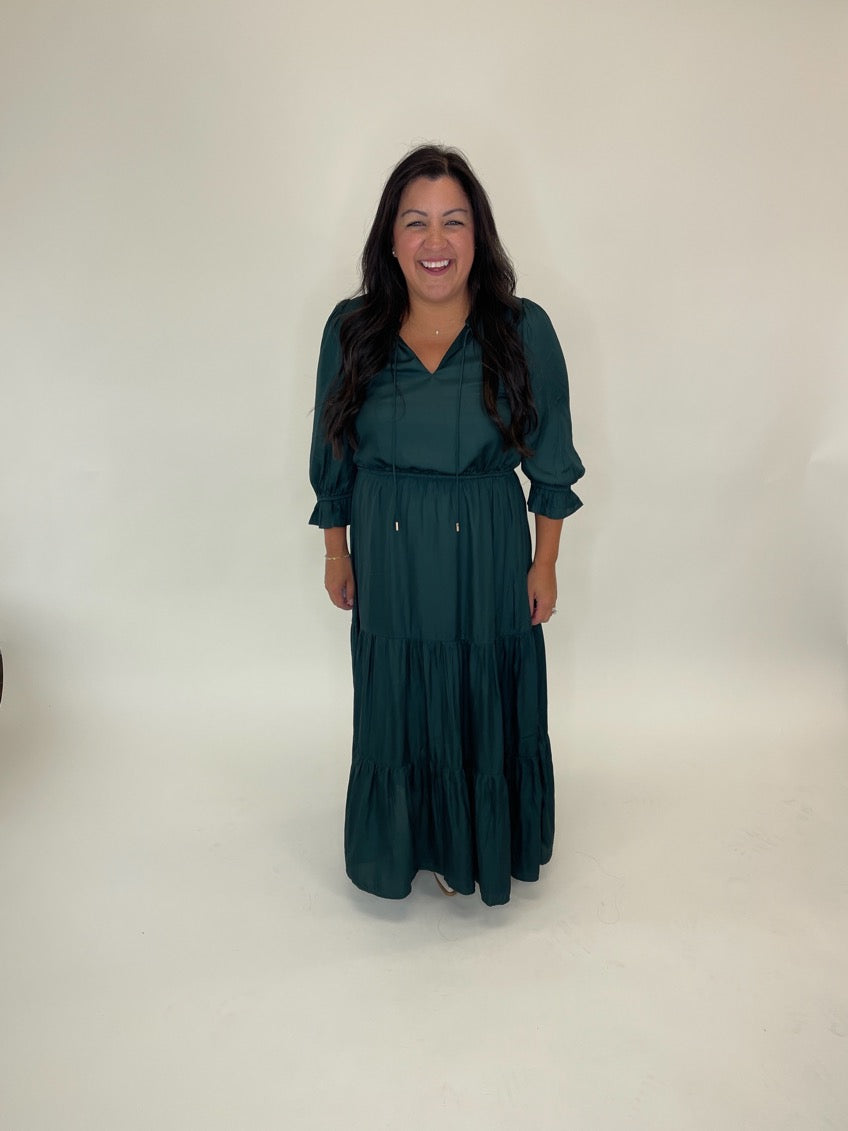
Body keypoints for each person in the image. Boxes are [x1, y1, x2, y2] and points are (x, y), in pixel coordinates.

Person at [309, 144, 584, 906]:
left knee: (481, 689)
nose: (436, 241)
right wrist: (335, 551)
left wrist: (545, 562)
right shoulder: (351, 329)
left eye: (453, 221)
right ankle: (412, 841)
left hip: (489, 552)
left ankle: (480, 843)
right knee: (399, 696)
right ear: (391, 237)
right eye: (417, 222)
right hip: (390, 557)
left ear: (478, 234)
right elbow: (332, 450)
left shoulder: (523, 330)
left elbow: (552, 462)